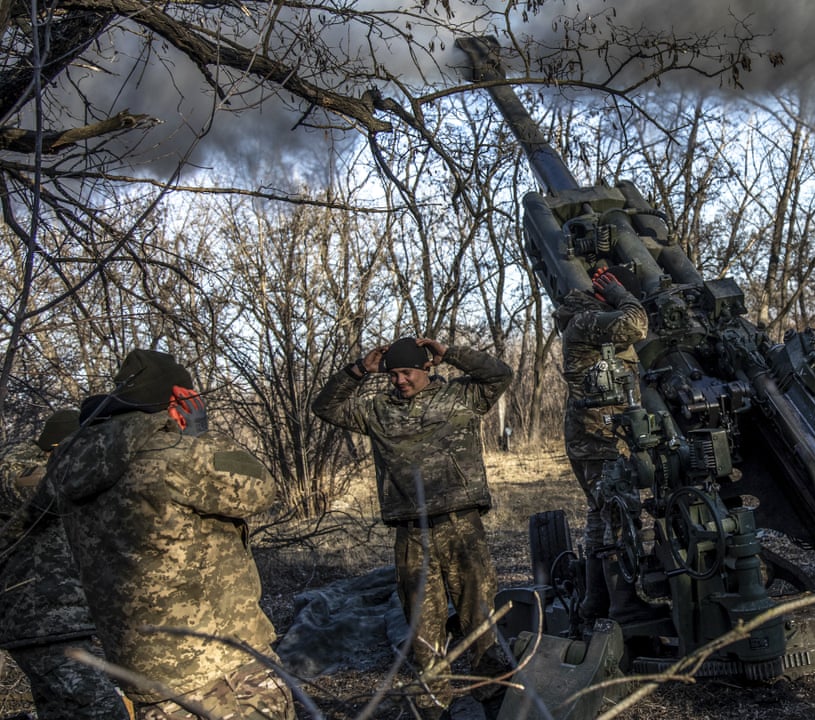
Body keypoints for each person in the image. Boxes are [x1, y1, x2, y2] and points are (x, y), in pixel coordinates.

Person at [40, 349, 294, 720]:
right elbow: (259, 489)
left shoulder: (74, 467)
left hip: (145, 678)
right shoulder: (172, 455)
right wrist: (200, 434)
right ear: (179, 397)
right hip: (222, 668)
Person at [313, 336, 513, 720]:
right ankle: (435, 709)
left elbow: (500, 375)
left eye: (407, 372)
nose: (399, 380)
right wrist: (358, 370)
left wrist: (451, 352)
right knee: (424, 632)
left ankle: (497, 705)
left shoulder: (461, 397)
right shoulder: (378, 411)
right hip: (411, 533)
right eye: (392, 374)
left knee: (480, 623)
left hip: (461, 525)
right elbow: (325, 406)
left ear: (426, 369)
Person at [0, 409, 132, 720]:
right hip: (39, 619)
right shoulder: (15, 467)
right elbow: (40, 487)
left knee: (62, 713)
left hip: (66, 622)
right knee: (104, 713)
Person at [552, 265, 651, 622]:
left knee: (601, 515)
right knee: (620, 516)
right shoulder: (587, 321)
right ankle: (624, 606)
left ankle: (595, 602)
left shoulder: (583, 320)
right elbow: (637, 323)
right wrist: (621, 294)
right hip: (601, 436)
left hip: (593, 436)